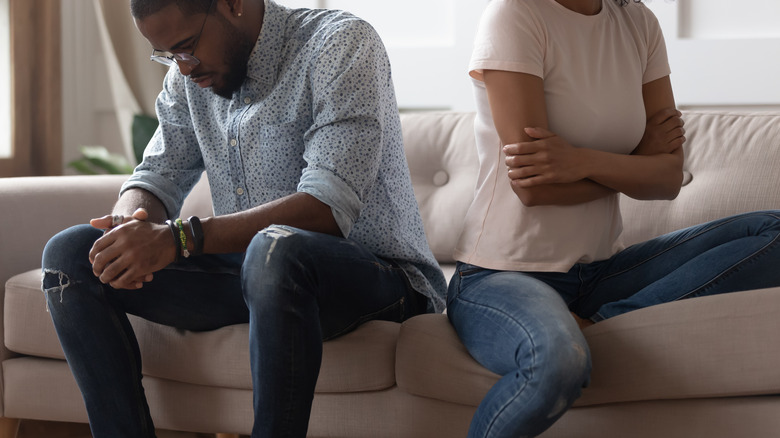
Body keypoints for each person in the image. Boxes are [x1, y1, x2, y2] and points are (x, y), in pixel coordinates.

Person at [41, 0, 447, 436]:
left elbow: (327, 206)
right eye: (168, 56)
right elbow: (156, 176)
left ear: (234, 4)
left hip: (374, 276)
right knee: (71, 255)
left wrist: (179, 238)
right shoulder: (190, 79)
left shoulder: (339, 44)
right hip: (256, 274)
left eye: (187, 47)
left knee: (274, 249)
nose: (183, 68)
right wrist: (127, 227)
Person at [448, 0, 780, 437]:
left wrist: (581, 161)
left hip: (602, 273)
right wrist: (634, 163)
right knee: (558, 361)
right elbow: (534, 187)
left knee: (771, 230)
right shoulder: (515, 14)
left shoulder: (638, 23)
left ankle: (602, 323)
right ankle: (583, 332)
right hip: (501, 275)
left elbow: (666, 178)